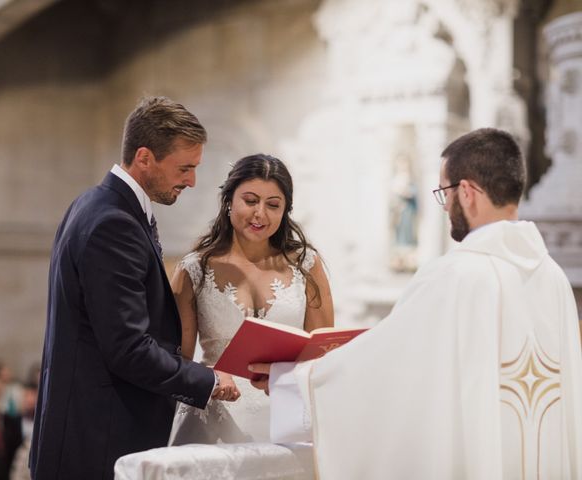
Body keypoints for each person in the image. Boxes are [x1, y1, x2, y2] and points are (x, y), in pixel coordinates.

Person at [250, 128, 582, 479]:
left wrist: (291, 381)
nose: (445, 207)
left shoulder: (455, 276)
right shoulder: (554, 279)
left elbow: (385, 370)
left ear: (467, 192)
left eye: (445, 193)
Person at [29, 96, 238, 480]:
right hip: (97, 442)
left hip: (89, 432)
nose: (192, 181)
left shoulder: (92, 204)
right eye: (184, 168)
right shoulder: (114, 223)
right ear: (145, 157)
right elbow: (127, 348)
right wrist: (207, 380)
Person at [169, 154, 333, 444]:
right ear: (229, 200)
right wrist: (211, 379)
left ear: (285, 211)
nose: (260, 214)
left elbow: (323, 353)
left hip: (286, 417)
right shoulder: (195, 269)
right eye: (250, 200)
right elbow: (175, 361)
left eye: (273, 205)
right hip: (215, 416)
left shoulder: (307, 264)